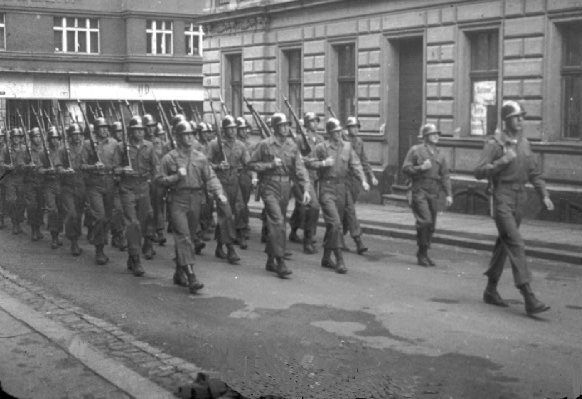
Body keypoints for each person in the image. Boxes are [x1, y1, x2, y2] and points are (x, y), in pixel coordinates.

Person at [474, 101, 553, 315]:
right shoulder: (495, 144)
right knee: (515, 242)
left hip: (520, 199)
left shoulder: (525, 143)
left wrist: (544, 194)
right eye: (516, 117)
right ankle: (528, 296)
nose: (521, 120)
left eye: (522, 116)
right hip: (502, 198)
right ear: (506, 120)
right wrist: (501, 161)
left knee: (504, 243)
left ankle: (490, 290)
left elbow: (534, 173)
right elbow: (478, 171)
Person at [157, 120, 227, 294]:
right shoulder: (169, 158)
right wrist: (175, 177)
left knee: (188, 236)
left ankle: (179, 272)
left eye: (191, 134)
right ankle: (191, 276)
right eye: (185, 135)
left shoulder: (200, 157)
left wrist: (219, 192)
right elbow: (159, 180)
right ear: (178, 137)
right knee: (184, 237)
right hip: (177, 200)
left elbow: (210, 177)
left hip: (196, 200)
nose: (189, 137)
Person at [249, 112, 311, 278]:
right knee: (277, 221)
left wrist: (306, 188)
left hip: (285, 186)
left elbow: (300, 168)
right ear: (275, 127)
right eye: (282, 125)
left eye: (286, 125)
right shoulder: (265, 144)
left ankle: (270, 259)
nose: (285, 128)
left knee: (278, 222)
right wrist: (269, 165)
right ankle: (280, 261)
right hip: (269, 185)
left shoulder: (292, 145)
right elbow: (251, 164)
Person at [311, 117, 369, 274]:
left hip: (342, 189)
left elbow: (356, 164)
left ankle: (326, 257)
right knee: (336, 224)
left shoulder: (347, 147)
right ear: (329, 133)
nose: (338, 134)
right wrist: (323, 164)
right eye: (335, 132)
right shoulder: (321, 147)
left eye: (339, 131)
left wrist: (363, 180)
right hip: (327, 188)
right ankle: (340, 260)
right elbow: (307, 162)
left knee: (333, 226)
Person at [402, 123, 453, 267]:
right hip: (419, 190)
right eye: (433, 134)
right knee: (425, 221)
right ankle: (422, 253)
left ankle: (423, 252)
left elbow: (445, 176)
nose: (436, 136)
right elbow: (405, 168)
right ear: (425, 137)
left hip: (434, 192)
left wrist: (449, 194)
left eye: (437, 133)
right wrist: (420, 168)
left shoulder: (440, 154)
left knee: (431, 225)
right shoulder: (416, 150)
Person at [116, 116, 158, 276]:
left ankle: (131, 255)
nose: (140, 133)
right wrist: (122, 170)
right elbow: (113, 168)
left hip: (143, 186)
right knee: (132, 223)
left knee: (141, 223)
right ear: (131, 131)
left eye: (141, 130)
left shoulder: (149, 146)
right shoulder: (122, 147)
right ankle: (136, 258)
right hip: (127, 187)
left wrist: (155, 182)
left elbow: (156, 167)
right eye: (136, 130)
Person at [80, 116, 121, 265]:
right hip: (94, 184)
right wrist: (93, 167)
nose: (104, 130)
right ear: (96, 130)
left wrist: (118, 171)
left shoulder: (114, 144)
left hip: (109, 182)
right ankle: (99, 249)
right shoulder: (87, 144)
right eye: (101, 128)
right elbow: (82, 165)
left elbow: (118, 163)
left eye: (106, 128)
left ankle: (103, 240)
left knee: (108, 217)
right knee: (100, 216)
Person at [207, 115, 247, 261]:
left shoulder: (240, 145)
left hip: (235, 183)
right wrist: (218, 166)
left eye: (234, 128)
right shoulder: (215, 144)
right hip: (220, 183)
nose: (233, 131)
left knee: (239, 209)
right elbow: (205, 164)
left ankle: (219, 247)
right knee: (227, 214)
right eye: (230, 128)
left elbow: (249, 162)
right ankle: (230, 249)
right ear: (223, 130)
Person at [342, 116, 377, 254]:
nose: (355, 129)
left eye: (357, 127)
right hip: (344, 179)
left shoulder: (359, 142)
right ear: (348, 128)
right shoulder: (343, 141)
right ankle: (358, 240)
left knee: (346, 210)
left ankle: (335, 237)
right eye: (352, 127)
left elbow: (364, 160)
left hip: (356, 180)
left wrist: (371, 176)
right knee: (350, 210)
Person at [289, 111, 322, 254]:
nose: (315, 124)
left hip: (315, 177)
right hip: (302, 178)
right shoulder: (299, 139)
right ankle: (308, 240)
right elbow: (297, 159)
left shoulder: (320, 138)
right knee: (313, 207)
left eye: (316, 121)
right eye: (312, 121)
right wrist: (315, 162)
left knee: (301, 206)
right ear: (307, 124)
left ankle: (293, 230)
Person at [55, 123, 85, 256]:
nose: (77, 137)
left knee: (78, 215)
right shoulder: (63, 150)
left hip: (82, 186)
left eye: (79, 134)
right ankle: (73, 242)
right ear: (70, 137)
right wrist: (65, 171)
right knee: (71, 214)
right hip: (67, 187)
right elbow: (58, 167)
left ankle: (76, 238)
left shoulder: (86, 148)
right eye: (74, 135)